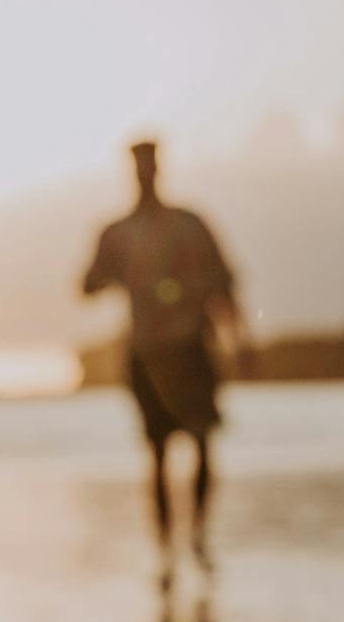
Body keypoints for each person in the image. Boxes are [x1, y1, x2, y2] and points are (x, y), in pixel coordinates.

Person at [82, 140, 246, 566]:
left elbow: (224, 282)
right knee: (156, 453)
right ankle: (166, 548)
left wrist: (240, 339)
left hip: (191, 348)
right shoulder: (117, 232)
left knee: (202, 442)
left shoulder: (191, 225)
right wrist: (115, 274)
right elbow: (86, 285)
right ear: (132, 172)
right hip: (147, 353)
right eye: (140, 167)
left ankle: (198, 535)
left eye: (150, 166)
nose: (145, 174)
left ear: (158, 168)